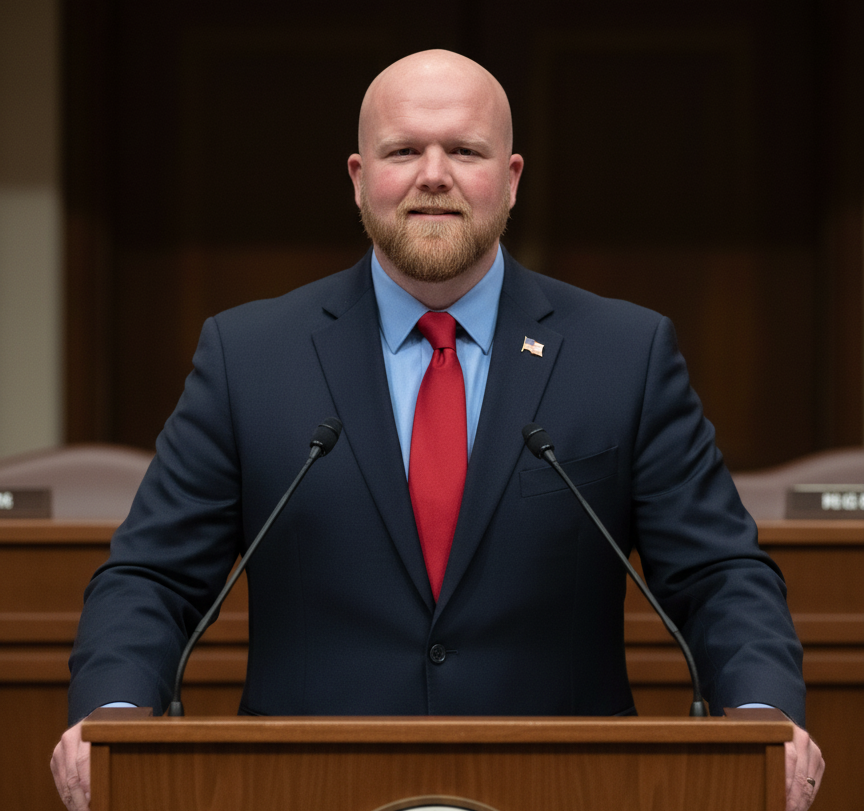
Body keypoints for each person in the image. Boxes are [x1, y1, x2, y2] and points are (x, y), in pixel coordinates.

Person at [52, 49, 824, 810]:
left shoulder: (625, 354)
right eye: (403, 150)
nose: (432, 174)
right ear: (359, 180)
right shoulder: (249, 356)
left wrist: (763, 715)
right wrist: (112, 715)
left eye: (463, 149)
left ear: (511, 179)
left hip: (569, 786)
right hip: (304, 787)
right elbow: (151, 576)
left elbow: (720, 573)